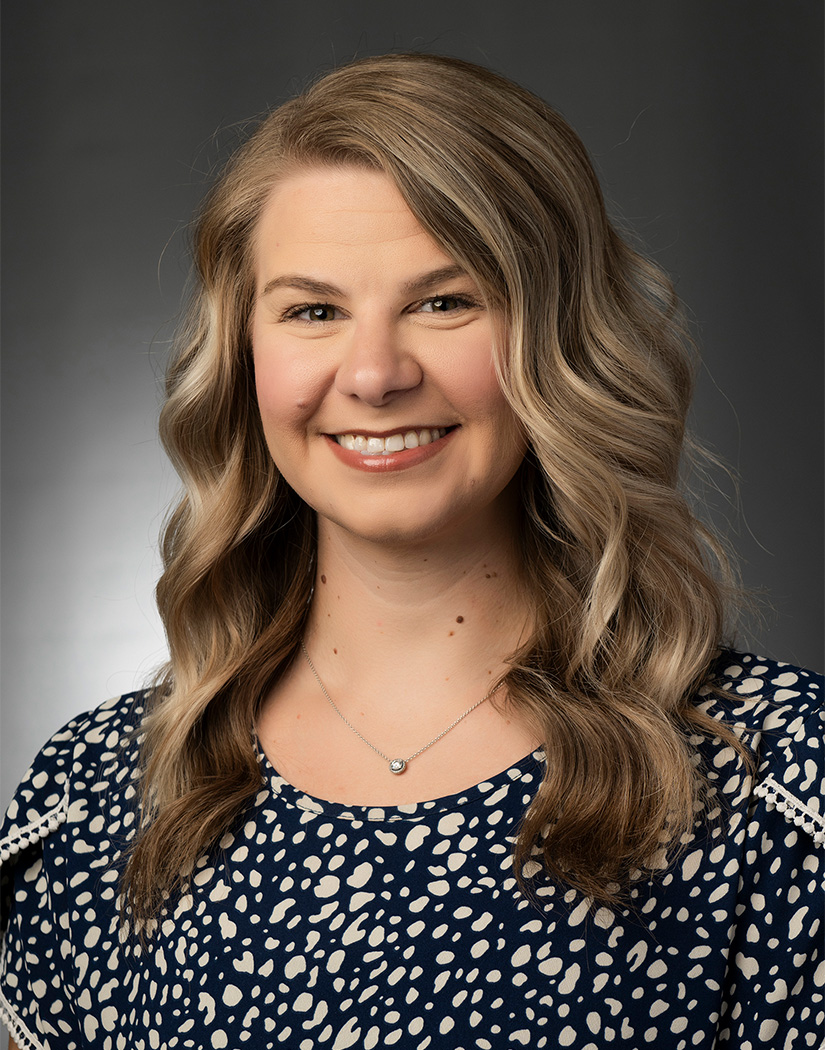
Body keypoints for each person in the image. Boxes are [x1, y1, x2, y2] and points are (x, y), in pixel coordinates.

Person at [1, 53, 822, 1050]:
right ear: (245, 354)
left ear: (557, 337)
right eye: (314, 311)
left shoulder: (773, 781)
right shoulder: (95, 799)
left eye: (444, 301)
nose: (375, 374)